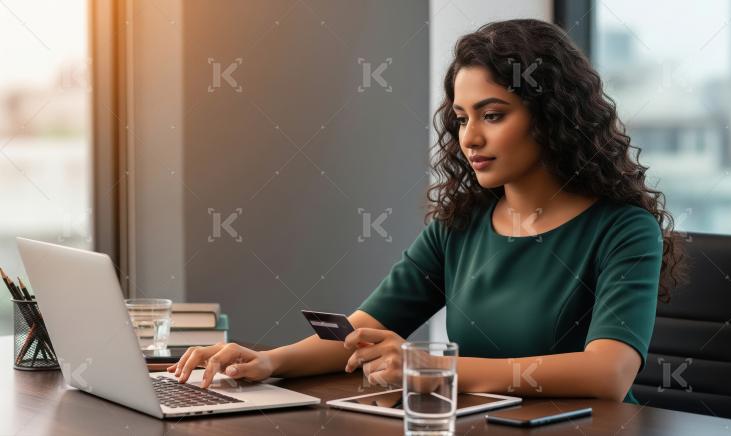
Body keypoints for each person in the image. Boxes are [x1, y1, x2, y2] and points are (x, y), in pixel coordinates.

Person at [168, 18, 683, 404]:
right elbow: (361, 330)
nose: (470, 138)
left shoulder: (623, 230)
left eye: (493, 115)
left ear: (552, 117)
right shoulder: (459, 225)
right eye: (461, 118)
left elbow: (608, 374)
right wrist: (267, 361)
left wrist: (435, 368)